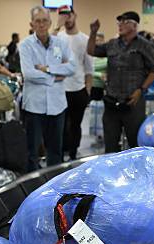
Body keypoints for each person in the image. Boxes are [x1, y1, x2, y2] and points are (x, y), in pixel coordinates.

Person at [87, 11, 154, 153]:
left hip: (133, 103)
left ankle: (136, 173)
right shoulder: (112, 44)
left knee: (136, 145)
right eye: (119, 22)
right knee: (111, 146)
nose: (120, 24)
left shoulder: (145, 45)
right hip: (112, 103)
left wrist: (141, 90)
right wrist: (93, 32)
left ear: (134, 25)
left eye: (125, 21)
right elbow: (91, 50)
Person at [20, 6, 74, 170]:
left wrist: (47, 69)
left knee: (55, 151)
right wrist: (55, 77)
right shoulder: (25, 45)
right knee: (32, 152)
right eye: (38, 21)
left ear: (50, 22)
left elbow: (71, 67)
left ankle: (53, 184)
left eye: (45, 21)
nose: (42, 24)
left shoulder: (60, 44)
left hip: (57, 106)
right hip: (34, 107)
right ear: (32, 24)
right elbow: (28, 73)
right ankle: (32, 187)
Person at [54, 5, 93, 160]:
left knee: (75, 125)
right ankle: (61, 154)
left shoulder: (84, 39)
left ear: (74, 15)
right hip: (60, 89)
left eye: (68, 15)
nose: (67, 18)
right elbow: (50, 54)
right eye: (63, 15)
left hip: (79, 89)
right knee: (60, 126)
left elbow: (89, 68)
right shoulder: (58, 37)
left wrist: (87, 91)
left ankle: (72, 153)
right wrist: (57, 26)